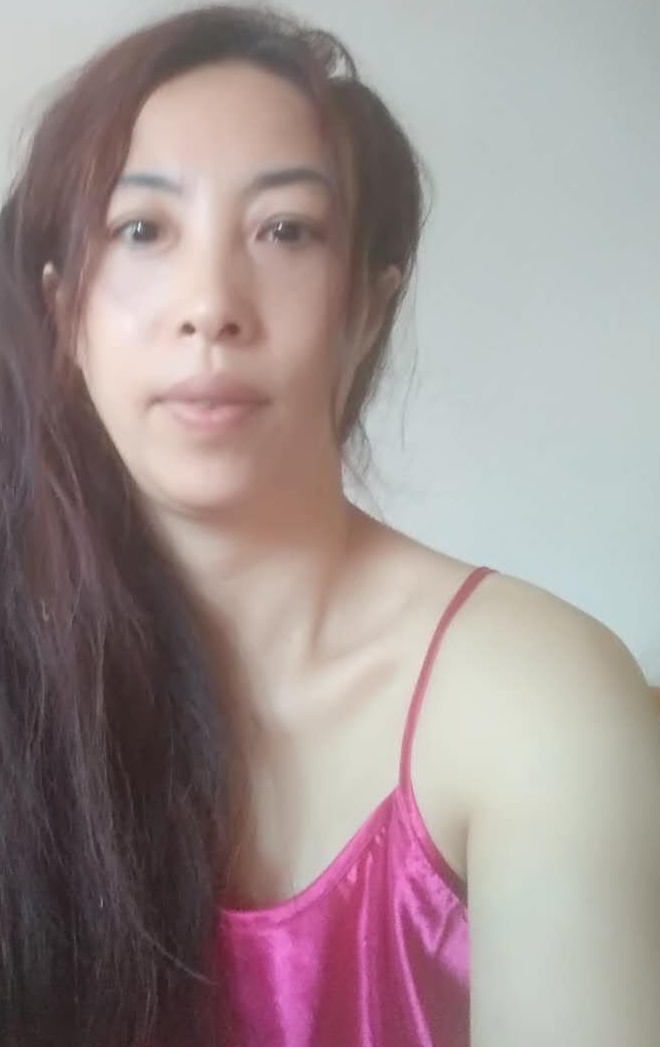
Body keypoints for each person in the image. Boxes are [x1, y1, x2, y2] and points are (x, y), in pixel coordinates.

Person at [0, 6, 658, 1046]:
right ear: (61, 315)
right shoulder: (27, 680)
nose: (210, 305)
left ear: (366, 310)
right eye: (142, 231)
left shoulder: (537, 702)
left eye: (285, 231)